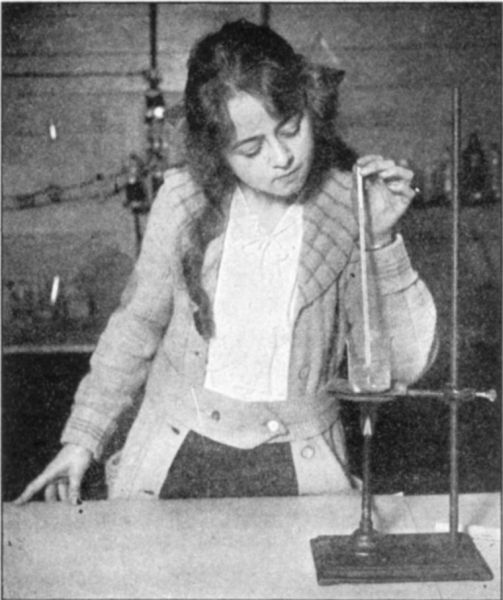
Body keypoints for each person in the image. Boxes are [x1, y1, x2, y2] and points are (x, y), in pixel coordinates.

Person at [15, 19, 437, 504]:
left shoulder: (349, 203)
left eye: (291, 128)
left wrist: (380, 239)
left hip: (300, 467)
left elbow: (404, 365)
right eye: (252, 148)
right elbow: (135, 329)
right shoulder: (182, 201)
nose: (282, 158)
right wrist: (82, 440)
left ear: (310, 108)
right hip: (175, 459)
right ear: (218, 152)